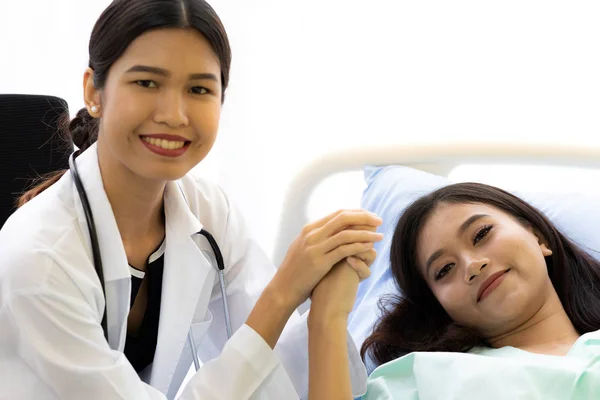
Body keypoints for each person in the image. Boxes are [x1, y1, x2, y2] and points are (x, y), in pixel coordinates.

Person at [0, 1, 385, 399]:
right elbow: (266, 321)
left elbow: (288, 370)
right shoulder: (38, 259)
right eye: (147, 83)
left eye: (199, 89)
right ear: (93, 92)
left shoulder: (208, 213)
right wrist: (284, 291)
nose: (174, 114)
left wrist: (326, 312)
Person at [309, 182, 600, 399]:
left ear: (537, 237)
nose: (472, 265)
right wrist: (328, 316)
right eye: (444, 270)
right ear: (439, 305)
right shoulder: (421, 378)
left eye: (482, 234)